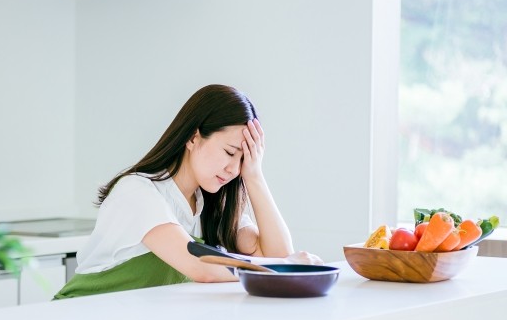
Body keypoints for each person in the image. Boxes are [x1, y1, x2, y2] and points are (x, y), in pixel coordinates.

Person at [54, 84, 322, 299]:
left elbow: (277, 252)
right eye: (230, 152)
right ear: (193, 138)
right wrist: (281, 267)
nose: (233, 169)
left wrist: (254, 175)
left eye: (243, 159)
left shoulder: (214, 205)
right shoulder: (137, 191)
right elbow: (201, 267)